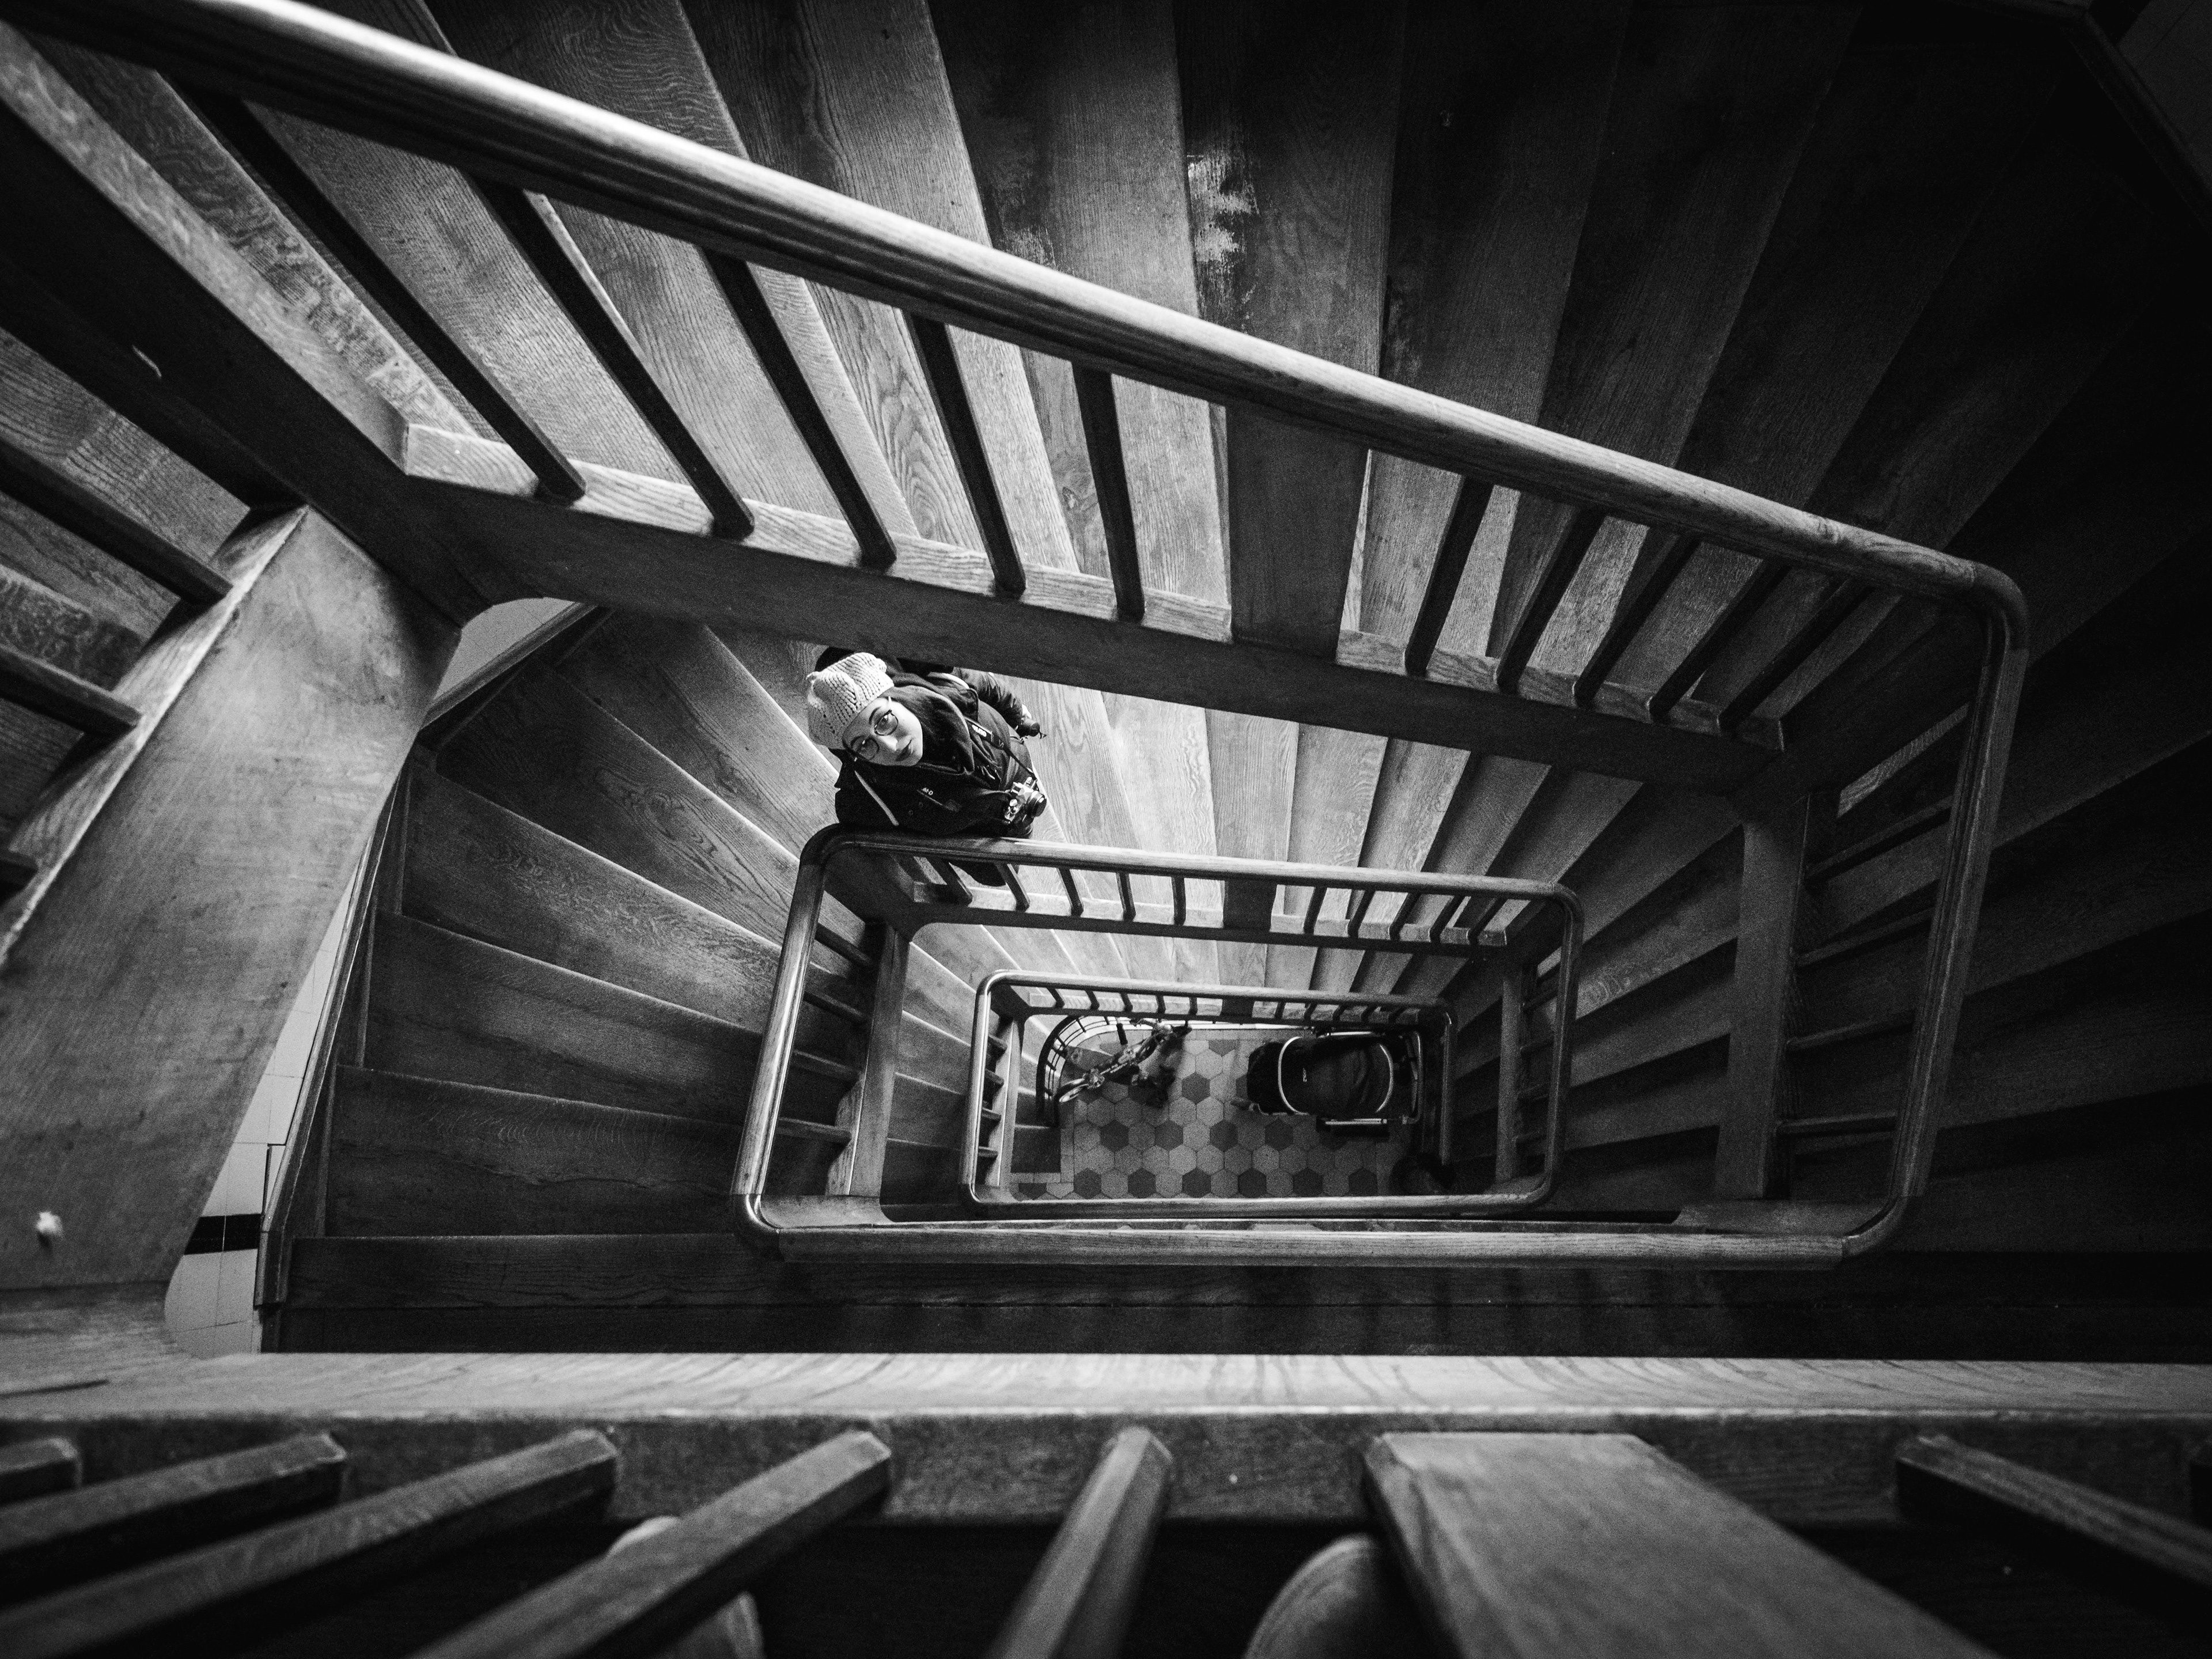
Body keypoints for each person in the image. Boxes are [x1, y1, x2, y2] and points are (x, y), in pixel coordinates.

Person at [804, 652, 1048, 865]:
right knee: (996, 875)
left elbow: (987, 686)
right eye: (864, 745)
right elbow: (850, 823)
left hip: (1016, 765)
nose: (891, 747)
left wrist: (1019, 717)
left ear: (898, 697)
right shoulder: (872, 795)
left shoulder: (950, 685)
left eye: (884, 720)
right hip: (983, 839)